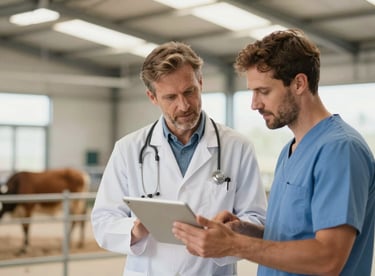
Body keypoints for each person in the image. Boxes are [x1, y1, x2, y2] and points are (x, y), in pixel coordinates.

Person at [173, 29, 375, 276]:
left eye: (264, 91)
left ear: (299, 83)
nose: (254, 104)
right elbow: (293, 237)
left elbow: (328, 259)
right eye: (252, 92)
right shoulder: (289, 151)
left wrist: (234, 245)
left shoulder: (339, 150)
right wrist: (244, 231)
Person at [91, 41, 267, 276]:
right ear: (152, 97)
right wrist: (135, 230)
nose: (183, 105)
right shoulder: (128, 149)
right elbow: (103, 220)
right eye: (170, 97)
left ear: (200, 83)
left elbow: (257, 219)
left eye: (189, 92)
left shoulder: (237, 147)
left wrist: (227, 232)